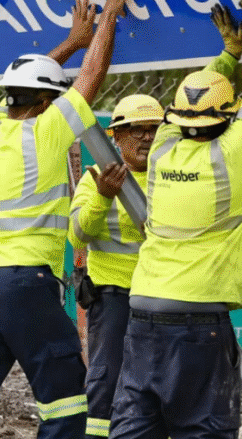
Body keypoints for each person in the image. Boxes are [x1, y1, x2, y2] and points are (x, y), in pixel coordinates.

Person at [0, 0, 133, 439]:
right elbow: (90, 79)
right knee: (66, 407)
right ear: (47, 103)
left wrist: (67, 42)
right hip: (25, 284)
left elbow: (28, 83)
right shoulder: (46, 134)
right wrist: (109, 17)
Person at [109, 0, 242, 439]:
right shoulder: (236, 150)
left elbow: (187, 101)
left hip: (142, 312)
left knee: (135, 426)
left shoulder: (163, 144)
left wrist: (227, 54)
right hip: (197, 319)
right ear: (227, 117)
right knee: (203, 429)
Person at [67, 93, 162, 439]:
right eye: (137, 129)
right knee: (107, 382)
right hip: (113, 298)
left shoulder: (170, 177)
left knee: (160, 380)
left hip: (160, 296)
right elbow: (77, 236)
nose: (147, 137)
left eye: (154, 129)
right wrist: (104, 195)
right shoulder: (95, 180)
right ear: (116, 136)